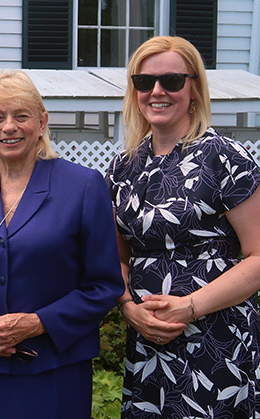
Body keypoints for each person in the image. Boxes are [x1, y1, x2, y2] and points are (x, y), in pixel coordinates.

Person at [0, 70, 124, 418]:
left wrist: (37, 323)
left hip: (55, 370)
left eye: (21, 116)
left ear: (42, 122)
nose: (9, 126)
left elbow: (104, 285)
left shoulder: (83, 186)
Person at [106, 36, 260, 417]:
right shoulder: (123, 167)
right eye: (144, 82)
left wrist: (189, 307)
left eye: (171, 80)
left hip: (217, 342)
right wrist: (128, 308)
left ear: (194, 89)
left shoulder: (225, 157)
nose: (156, 91)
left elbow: (258, 257)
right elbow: (116, 258)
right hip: (148, 346)